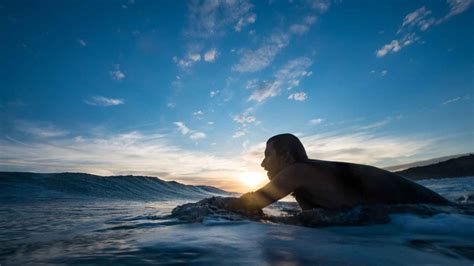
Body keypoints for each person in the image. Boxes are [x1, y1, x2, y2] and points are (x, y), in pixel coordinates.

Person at [213, 133, 449, 213]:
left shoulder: (298, 170)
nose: (263, 164)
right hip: (421, 210)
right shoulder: (308, 178)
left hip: (420, 208)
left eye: (267, 154)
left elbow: (252, 204)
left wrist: (209, 205)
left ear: (285, 156)